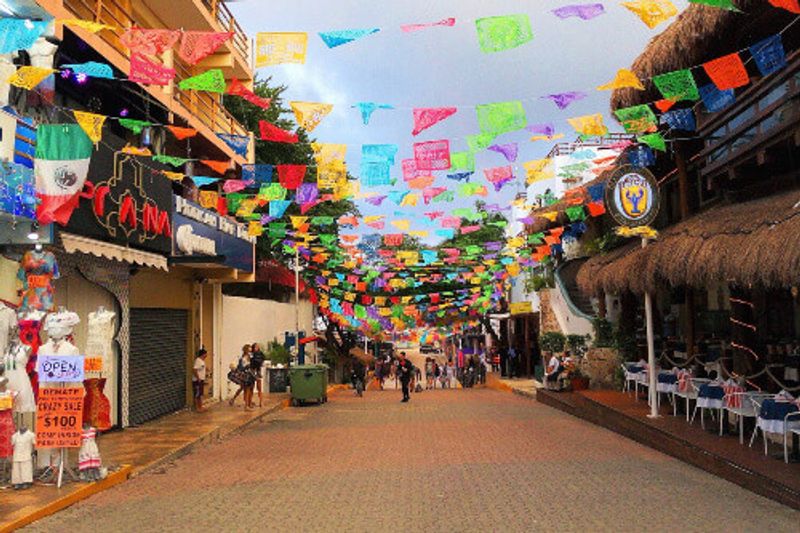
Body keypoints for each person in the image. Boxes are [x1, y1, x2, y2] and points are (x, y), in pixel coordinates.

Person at [251, 343, 266, 407]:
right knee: (251, 387)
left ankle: (261, 401)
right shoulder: (252, 354)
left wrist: (261, 364)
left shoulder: (260, 353)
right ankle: (250, 401)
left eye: (258, 347)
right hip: (252, 370)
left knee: (259, 387)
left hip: (258, 370)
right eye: (256, 347)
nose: (257, 348)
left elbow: (263, 359)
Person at [193, 348, 207, 412]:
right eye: (205, 354)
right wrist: (198, 378)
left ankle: (201, 406)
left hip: (201, 380)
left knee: (200, 394)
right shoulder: (198, 360)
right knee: (197, 394)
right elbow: (195, 370)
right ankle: (197, 408)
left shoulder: (202, 361)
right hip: (197, 380)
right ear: (203, 354)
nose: (206, 356)